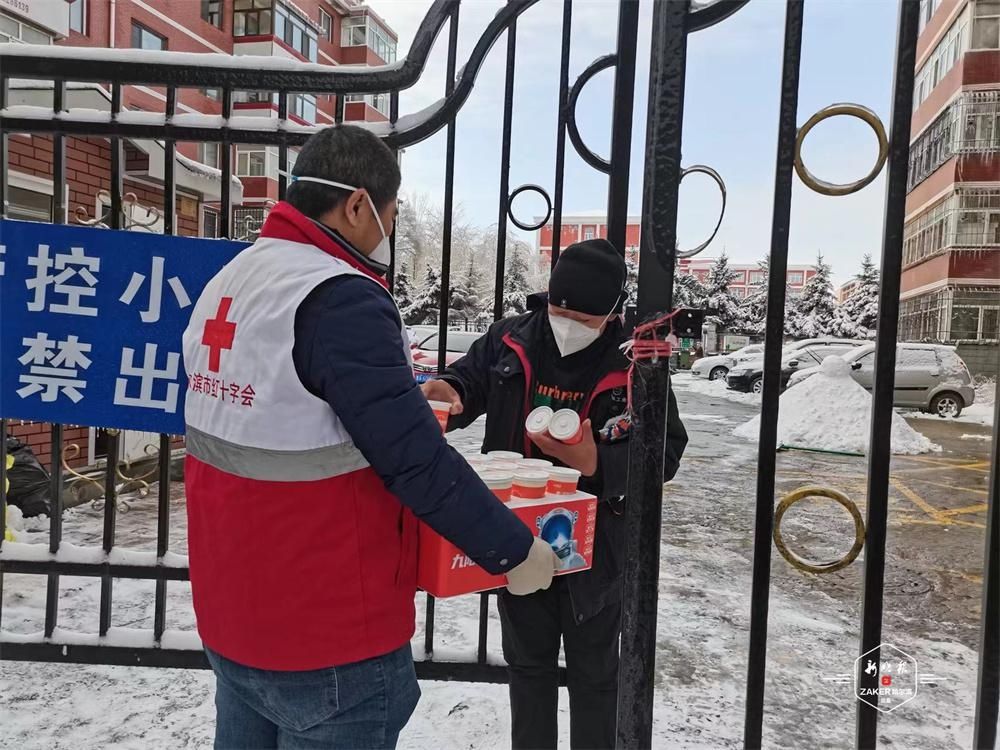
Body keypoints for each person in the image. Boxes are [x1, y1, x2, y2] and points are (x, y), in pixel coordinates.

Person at [181, 125, 556, 750]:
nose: (389, 230)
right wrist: (514, 552)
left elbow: (281, 415)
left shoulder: (232, 280)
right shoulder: (339, 298)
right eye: (390, 214)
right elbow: (415, 462)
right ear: (356, 205)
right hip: (327, 631)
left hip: (233, 615)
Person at [420, 239, 688, 750]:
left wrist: (597, 463)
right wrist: (452, 390)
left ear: (612, 314)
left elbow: (666, 451)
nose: (567, 322)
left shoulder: (634, 362)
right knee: (529, 667)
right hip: (518, 536)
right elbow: (468, 381)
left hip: (596, 551)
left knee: (595, 675)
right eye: (559, 308)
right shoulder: (510, 338)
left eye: (584, 316)